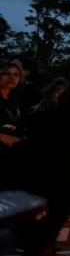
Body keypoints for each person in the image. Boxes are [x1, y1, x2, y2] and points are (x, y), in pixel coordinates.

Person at [18, 79, 70, 256]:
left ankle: (34, 249)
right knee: (58, 211)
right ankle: (42, 250)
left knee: (44, 211)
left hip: (47, 166)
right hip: (68, 168)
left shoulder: (54, 111)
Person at [0, 58, 27, 190]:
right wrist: (2, 137)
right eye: (7, 73)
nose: (11, 77)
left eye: (16, 75)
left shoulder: (14, 103)